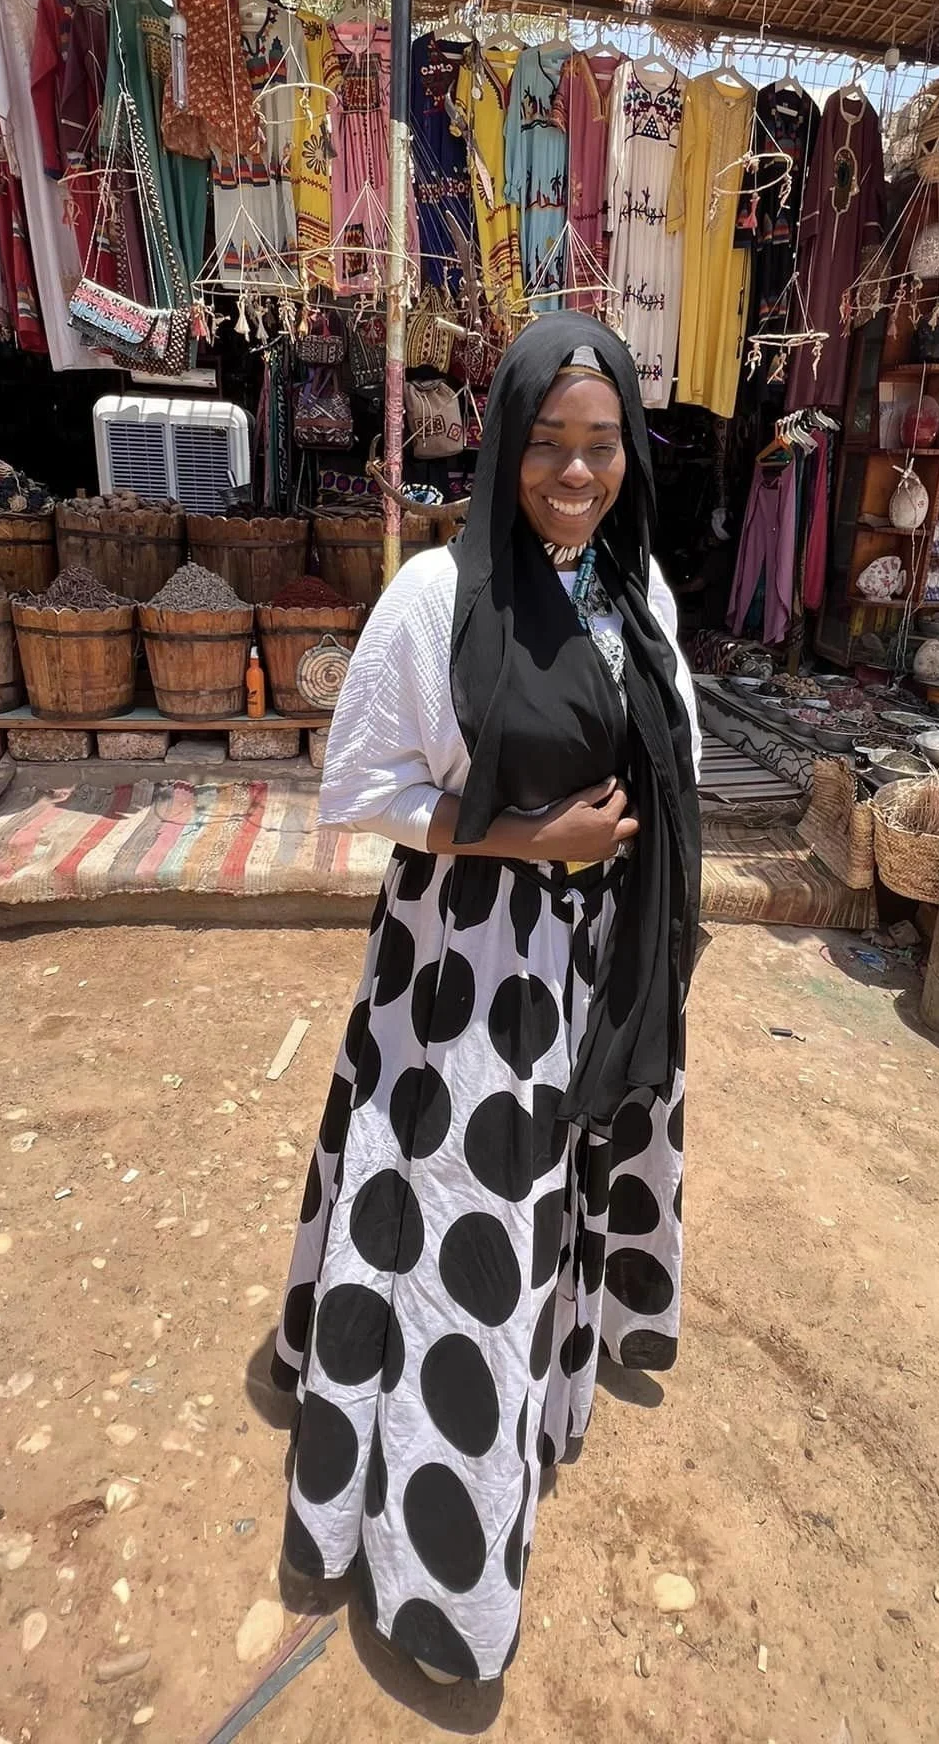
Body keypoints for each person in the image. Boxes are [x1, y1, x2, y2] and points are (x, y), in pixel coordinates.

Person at [265, 310, 702, 1684]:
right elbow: (360, 788)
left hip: (594, 955)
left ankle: (538, 1389)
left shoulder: (638, 593)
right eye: (549, 443)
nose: (575, 473)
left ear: (630, 454)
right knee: (463, 1207)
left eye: (603, 445)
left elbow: (671, 761)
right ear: (506, 441)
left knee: (547, 1190)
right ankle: (426, 1540)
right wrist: (529, 838)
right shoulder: (436, 597)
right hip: (467, 962)